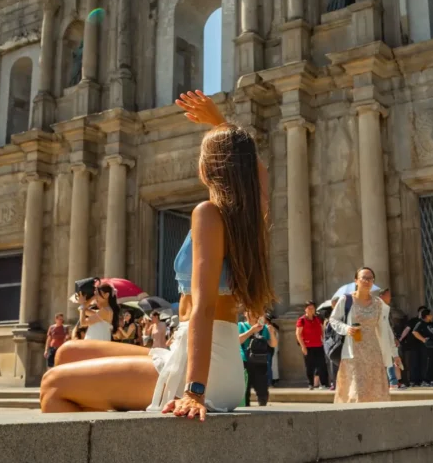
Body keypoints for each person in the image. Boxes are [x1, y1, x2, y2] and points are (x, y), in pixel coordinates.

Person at [40, 90, 274, 419]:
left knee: (53, 385)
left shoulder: (209, 214)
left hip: (205, 370)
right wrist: (219, 123)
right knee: (67, 353)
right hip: (203, 355)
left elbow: (204, 308)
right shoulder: (248, 221)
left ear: (211, 165)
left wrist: (194, 392)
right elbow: (258, 173)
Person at [330, 266, 399, 403]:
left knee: (375, 391)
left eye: (370, 278)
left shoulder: (379, 303)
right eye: (364, 278)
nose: (367, 281)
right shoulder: (346, 300)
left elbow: (385, 329)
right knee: (356, 390)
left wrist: (394, 353)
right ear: (356, 280)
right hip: (353, 351)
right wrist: (346, 328)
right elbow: (333, 319)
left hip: (373, 351)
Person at [239, 312, 275, 406]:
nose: (253, 314)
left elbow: (273, 344)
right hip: (245, 361)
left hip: (260, 361)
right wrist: (251, 331)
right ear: (245, 314)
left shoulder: (264, 328)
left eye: (256, 311)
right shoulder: (241, 325)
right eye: (250, 311)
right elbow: (237, 340)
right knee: (245, 391)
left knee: (262, 390)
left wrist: (271, 333)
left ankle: (263, 410)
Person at [296, 301, 329, 390]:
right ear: (305, 309)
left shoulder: (318, 319)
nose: (311, 310)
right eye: (309, 308)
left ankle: (324, 383)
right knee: (309, 366)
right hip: (308, 346)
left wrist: (323, 339)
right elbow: (298, 334)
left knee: (322, 364)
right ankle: (310, 384)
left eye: (313, 308)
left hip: (319, 345)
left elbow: (322, 330)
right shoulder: (302, 320)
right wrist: (303, 346)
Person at [412, 307, 433, 386]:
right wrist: (423, 340)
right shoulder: (421, 323)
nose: (432, 316)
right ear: (427, 316)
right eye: (430, 315)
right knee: (427, 363)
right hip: (426, 347)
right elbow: (414, 332)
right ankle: (425, 380)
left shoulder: (431, 323)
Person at [400, 306, 426, 387]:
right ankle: (413, 380)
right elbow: (407, 330)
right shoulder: (413, 321)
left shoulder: (426, 321)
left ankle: (422, 380)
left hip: (423, 346)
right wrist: (400, 339)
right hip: (413, 346)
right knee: (413, 363)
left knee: (422, 363)